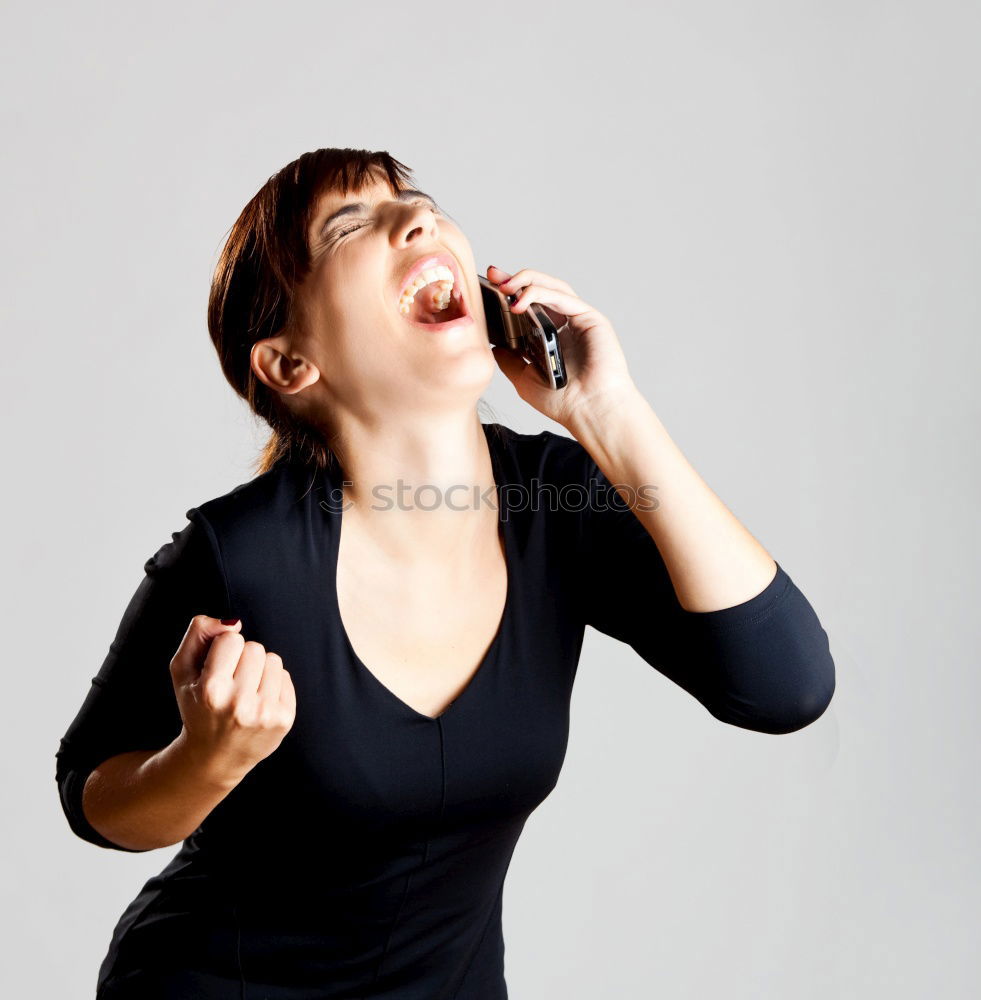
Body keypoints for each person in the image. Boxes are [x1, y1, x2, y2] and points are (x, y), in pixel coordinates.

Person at [55, 147, 836, 999]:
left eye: (416, 202)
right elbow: (90, 796)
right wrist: (206, 760)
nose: (417, 221)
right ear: (289, 365)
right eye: (352, 224)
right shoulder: (240, 556)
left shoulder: (555, 507)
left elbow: (784, 687)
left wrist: (607, 411)